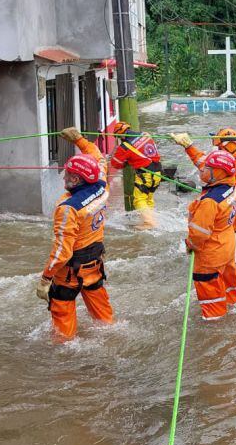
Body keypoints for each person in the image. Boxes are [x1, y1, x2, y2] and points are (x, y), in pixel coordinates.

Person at [38, 127, 112, 339]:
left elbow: (62, 251)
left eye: (68, 175)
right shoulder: (101, 185)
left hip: (70, 272)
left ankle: (63, 352)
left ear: (77, 180)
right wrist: (79, 140)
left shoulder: (68, 208)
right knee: (105, 319)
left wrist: (45, 280)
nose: (64, 178)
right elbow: (99, 159)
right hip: (95, 263)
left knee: (63, 322)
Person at [171, 128, 236, 308]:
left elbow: (201, 232)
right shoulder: (229, 167)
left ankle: (218, 313)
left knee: (213, 291)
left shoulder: (232, 173)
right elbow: (206, 165)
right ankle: (229, 304)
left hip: (225, 226)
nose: (214, 147)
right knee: (227, 270)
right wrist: (189, 146)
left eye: (216, 143)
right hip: (226, 234)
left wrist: (192, 244)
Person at [185, 150, 236, 321]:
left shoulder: (209, 202)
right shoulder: (230, 185)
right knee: (228, 287)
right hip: (227, 246)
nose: (202, 170)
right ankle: (231, 307)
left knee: (212, 301)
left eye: (207, 168)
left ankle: (216, 324)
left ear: (218, 173)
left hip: (211, 254)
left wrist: (190, 244)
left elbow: (199, 234)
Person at [109, 121, 162, 229]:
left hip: (145, 174)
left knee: (139, 199)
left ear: (121, 135)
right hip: (158, 172)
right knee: (148, 198)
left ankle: (149, 222)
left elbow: (115, 164)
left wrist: (126, 160)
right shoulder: (145, 134)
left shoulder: (125, 146)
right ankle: (150, 220)